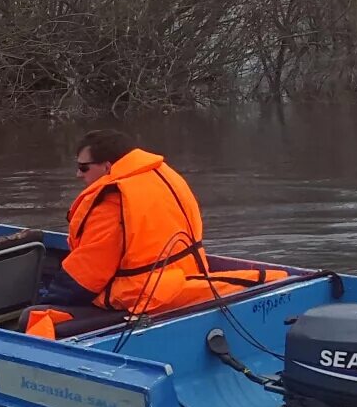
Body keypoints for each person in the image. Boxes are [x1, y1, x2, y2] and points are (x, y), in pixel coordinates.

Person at [38, 129, 277, 323]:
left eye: (83, 168)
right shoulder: (162, 174)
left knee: (36, 312)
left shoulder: (112, 200)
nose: (78, 175)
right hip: (188, 273)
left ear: (108, 167)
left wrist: (49, 299)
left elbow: (87, 276)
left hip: (144, 294)